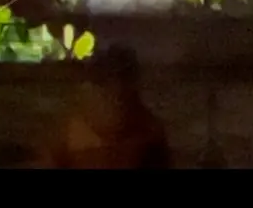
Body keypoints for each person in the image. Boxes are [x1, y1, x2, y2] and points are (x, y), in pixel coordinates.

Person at [37, 44, 170, 169]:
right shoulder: (67, 135)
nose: (116, 90)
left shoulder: (150, 133)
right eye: (106, 83)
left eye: (122, 82)